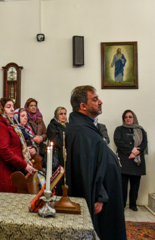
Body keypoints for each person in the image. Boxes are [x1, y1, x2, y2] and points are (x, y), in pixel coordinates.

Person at [66, 85, 126, 240]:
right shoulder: (81, 131)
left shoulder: (84, 125)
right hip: (99, 198)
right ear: (83, 106)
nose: (100, 101)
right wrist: (100, 196)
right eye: (95, 99)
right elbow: (86, 167)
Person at [0, 98, 36, 193]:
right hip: (1, 171)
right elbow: (4, 151)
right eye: (8, 107)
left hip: (9, 169)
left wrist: (24, 159)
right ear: (1, 109)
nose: (12, 109)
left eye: (13, 106)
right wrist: (23, 164)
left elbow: (14, 147)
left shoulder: (8, 123)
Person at [114, 110, 147, 212]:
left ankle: (133, 204)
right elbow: (118, 142)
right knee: (123, 185)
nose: (128, 119)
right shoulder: (119, 129)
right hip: (124, 160)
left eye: (130, 117)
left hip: (137, 161)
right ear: (124, 119)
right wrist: (130, 150)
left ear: (134, 118)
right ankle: (122, 204)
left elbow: (144, 143)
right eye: (126, 117)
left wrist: (135, 152)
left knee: (135, 185)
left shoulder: (141, 130)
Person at [47, 106, 67, 195]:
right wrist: (65, 145)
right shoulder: (52, 126)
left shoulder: (68, 125)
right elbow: (55, 140)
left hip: (66, 155)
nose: (63, 116)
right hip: (58, 156)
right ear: (56, 115)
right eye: (61, 114)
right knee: (58, 179)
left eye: (65, 114)